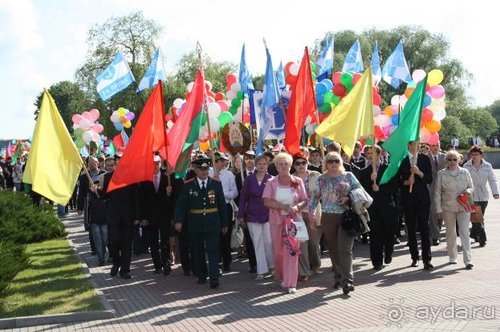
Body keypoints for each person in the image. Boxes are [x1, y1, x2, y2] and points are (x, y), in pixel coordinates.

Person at [309, 152, 362, 295]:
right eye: (330, 161)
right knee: (333, 249)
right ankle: (338, 276)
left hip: (346, 217)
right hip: (328, 217)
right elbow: (314, 198)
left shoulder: (348, 176)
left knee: (345, 249)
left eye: (336, 161)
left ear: (341, 162)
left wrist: (348, 199)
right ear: (325, 163)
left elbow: (360, 192)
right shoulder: (321, 179)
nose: (333, 164)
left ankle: (347, 281)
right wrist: (312, 214)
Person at [175, 157, 229, 289]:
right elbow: (181, 204)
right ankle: (202, 275)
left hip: (212, 222)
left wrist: (225, 223)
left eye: (206, 169)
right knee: (197, 250)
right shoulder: (188, 185)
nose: (204, 171)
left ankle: (214, 277)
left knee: (213, 250)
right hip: (196, 223)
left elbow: (222, 205)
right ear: (195, 169)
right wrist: (178, 220)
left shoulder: (216, 184)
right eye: (201, 169)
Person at [263, 152, 309, 294]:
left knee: (292, 251)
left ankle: (291, 283)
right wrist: (282, 207)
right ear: (276, 167)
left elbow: (304, 199)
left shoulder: (297, 181)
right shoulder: (271, 182)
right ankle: (282, 277)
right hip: (277, 221)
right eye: (280, 164)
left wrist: (296, 207)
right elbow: (266, 200)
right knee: (279, 252)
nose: (283, 167)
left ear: (290, 166)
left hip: (294, 221)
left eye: (286, 164)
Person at [359, 145, 399, 270]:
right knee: (376, 235)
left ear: (379, 153)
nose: (370, 155)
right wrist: (371, 183)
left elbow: (395, 186)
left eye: (373, 152)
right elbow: (363, 191)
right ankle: (377, 261)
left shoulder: (388, 169)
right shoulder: (364, 171)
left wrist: (380, 188)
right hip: (373, 208)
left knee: (389, 233)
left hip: (388, 207)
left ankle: (388, 253)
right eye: (368, 153)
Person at [435, 150, 474, 269]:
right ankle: (452, 256)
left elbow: (471, 186)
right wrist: (438, 209)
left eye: (454, 159)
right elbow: (437, 192)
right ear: (446, 161)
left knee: (464, 232)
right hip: (448, 207)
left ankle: (468, 260)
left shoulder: (465, 172)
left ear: (459, 160)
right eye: (449, 159)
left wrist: (468, 191)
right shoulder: (441, 174)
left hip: (464, 206)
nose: (452, 162)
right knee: (451, 233)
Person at [398, 141, 433, 270]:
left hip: (423, 199)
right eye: (414, 143)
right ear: (409, 145)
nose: (417, 145)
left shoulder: (424, 158)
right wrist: (407, 182)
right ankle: (414, 257)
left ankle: (427, 259)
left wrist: (419, 172)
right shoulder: (402, 160)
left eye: (419, 143)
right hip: (409, 199)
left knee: (424, 228)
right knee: (411, 228)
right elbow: (398, 180)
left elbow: (429, 179)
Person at [237, 154, 274, 280]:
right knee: (257, 242)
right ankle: (261, 270)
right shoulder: (249, 179)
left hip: (268, 214)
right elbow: (243, 198)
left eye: (264, 163)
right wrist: (240, 215)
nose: (262, 166)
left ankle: (272, 266)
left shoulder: (272, 179)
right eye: (259, 164)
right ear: (255, 165)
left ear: (267, 165)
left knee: (269, 241)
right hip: (252, 214)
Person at [139, 155, 173, 275]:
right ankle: (157, 265)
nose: (155, 166)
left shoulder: (167, 176)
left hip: (164, 215)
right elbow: (141, 200)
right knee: (153, 242)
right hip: (150, 217)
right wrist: (142, 217)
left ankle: (166, 263)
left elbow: (172, 199)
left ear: (160, 163)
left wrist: (169, 194)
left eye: (157, 163)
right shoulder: (144, 179)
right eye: (153, 163)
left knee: (165, 241)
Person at [463, 146, 499, 247]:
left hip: (483, 195)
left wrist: (495, 192)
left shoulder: (487, 166)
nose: (474, 156)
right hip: (471, 195)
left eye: (476, 154)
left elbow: (492, 180)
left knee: (479, 217)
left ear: (481, 155)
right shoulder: (466, 166)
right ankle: (482, 238)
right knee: (476, 217)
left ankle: (474, 234)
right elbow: (463, 180)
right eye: (472, 154)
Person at [293, 152, 322, 277]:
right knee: (301, 244)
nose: (300, 165)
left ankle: (315, 264)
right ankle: (304, 271)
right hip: (298, 214)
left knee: (314, 243)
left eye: (303, 162)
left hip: (314, 212)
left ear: (307, 163)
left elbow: (324, 191)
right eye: (297, 163)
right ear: (294, 165)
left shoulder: (316, 175)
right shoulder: (291, 178)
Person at [209, 152, 238, 272]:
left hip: (225, 206)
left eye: (223, 161)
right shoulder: (208, 173)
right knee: (214, 235)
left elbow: (235, 192)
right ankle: (216, 261)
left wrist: (222, 195)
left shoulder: (229, 174)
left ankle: (227, 261)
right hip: (212, 207)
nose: (223, 163)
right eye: (220, 161)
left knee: (226, 234)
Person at [89, 157, 115, 266]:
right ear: (104, 165)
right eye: (108, 165)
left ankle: (108, 254)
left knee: (105, 239)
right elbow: (94, 193)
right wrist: (94, 190)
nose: (109, 167)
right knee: (98, 239)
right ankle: (100, 258)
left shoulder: (117, 177)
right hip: (97, 213)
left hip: (108, 213)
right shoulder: (101, 177)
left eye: (111, 165)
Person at [235, 150, 258, 273]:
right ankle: (253, 264)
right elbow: (237, 196)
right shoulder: (239, 176)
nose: (249, 161)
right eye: (247, 158)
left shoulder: (259, 173)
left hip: (258, 211)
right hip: (246, 211)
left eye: (252, 158)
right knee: (249, 238)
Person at [428, 142, 447, 246]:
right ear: (429, 146)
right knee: (433, 212)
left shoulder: (445, 157)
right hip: (430, 188)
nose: (435, 147)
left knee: (441, 213)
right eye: (433, 145)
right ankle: (435, 236)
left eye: (437, 145)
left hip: (444, 189)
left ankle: (437, 230)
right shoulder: (425, 158)